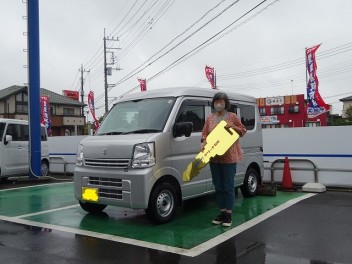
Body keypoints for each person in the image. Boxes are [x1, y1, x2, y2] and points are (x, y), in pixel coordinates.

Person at [201, 92, 247, 227]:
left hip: (230, 156)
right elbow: (205, 133)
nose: (218, 104)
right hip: (214, 157)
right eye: (216, 102)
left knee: (228, 186)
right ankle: (222, 212)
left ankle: (228, 214)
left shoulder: (232, 116)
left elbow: (243, 130)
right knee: (218, 186)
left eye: (221, 102)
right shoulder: (210, 118)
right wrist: (203, 142)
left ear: (226, 103)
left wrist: (233, 127)